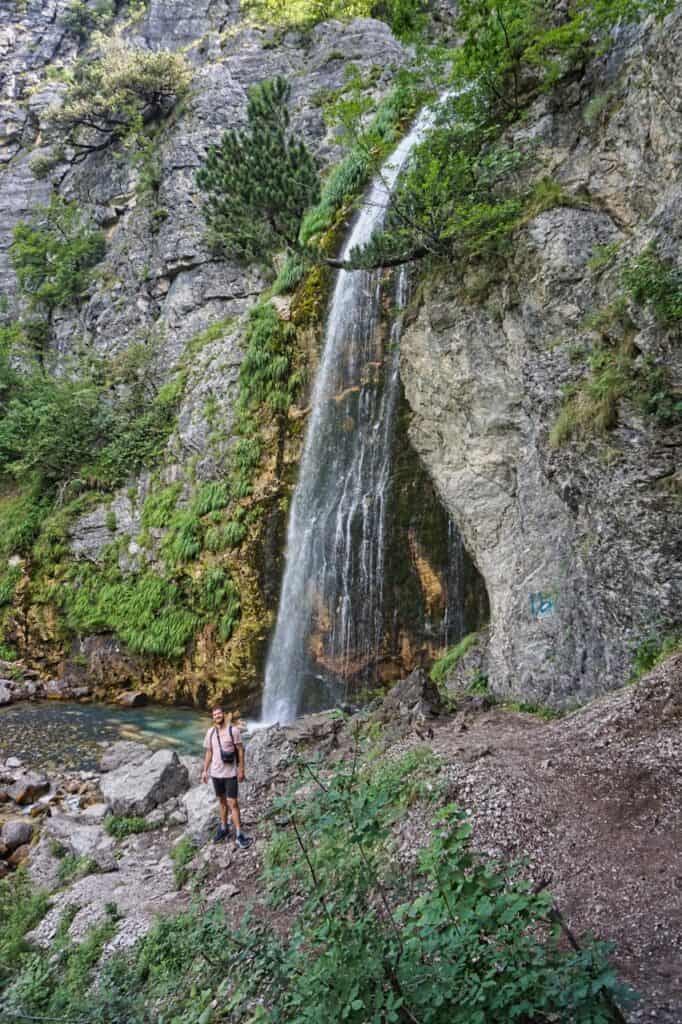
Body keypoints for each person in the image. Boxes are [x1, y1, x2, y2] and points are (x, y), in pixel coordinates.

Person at [202, 705, 251, 849]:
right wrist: (205, 770)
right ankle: (224, 828)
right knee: (222, 802)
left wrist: (241, 769)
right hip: (216, 774)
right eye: (215, 714)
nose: (217, 716)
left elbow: (240, 751)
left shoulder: (233, 730)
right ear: (213, 717)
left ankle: (239, 834)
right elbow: (209, 752)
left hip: (230, 774)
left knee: (233, 803)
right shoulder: (210, 732)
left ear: (224, 714)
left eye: (219, 713)